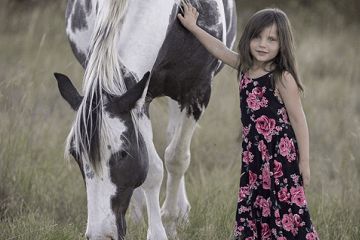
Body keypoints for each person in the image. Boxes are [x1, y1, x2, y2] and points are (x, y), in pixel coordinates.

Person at [178, 2, 319, 239]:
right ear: (248, 38)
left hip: (280, 156)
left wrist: (304, 162)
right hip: (254, 154)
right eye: (257, 37)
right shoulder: (245, 67)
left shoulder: (282, 77)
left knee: (284, 207)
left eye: (271, 39)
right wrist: (193, 27)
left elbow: (299, 120)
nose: (263, 44)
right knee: (255, 202)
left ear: (282, 43)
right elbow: (219, 49)